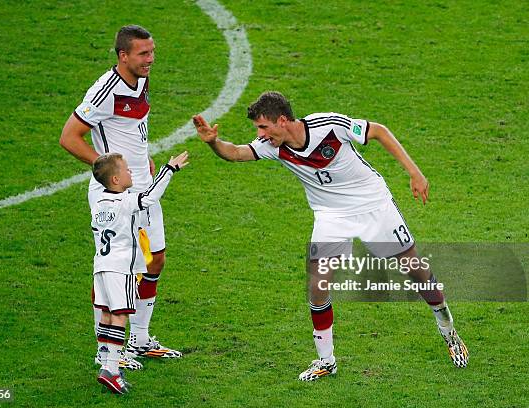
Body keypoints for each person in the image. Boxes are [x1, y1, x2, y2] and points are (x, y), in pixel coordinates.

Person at [192, 91, 469, 381]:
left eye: (263, 127)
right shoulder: (272, 146)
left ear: (283, 120)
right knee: (318, 285)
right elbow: (235, 153)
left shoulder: (329, 125)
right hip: (331, 216)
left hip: (372, 205)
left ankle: (448, 331)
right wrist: (213, 142)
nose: (260, 134)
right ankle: (326, 360)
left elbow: (379, 131)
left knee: (417, 273)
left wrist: (415, 173)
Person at [60, 24, 182, 369]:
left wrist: (143, 158)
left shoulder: (140, 77)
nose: (151, 59)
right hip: (116, 193)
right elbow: (69, 137)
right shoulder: (105, 91)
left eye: (153, 51)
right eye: (144, 54)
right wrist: (108, 171)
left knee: (155, 260)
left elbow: (132, 127)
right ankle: (108, 353)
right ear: (123, 55)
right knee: (116, 273)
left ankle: (140, 341)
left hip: (145, 186)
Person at [90, 151, 188, 394]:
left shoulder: (99, 203)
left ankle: (105, 361)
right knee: (120, 316)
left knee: (105, 315)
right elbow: (149, 197)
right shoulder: (125, 202)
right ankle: (112, 370)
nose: (131, 172)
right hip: (121, 267)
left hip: (100, 267)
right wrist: (170, 169)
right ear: (115, 179)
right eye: (125, 169)